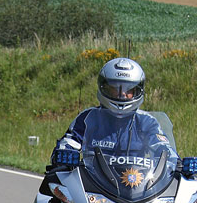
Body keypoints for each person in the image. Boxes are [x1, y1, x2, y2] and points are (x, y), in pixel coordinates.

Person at [49, 57, 177, 171]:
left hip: (137, 186)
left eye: (129, 89)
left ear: (138, 90)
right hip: (92, 185)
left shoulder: (147, 122)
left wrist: (176, 163)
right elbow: (69, 142)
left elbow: (163, 147)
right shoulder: (88, 118)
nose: (122, 94)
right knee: (50, 194)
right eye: (115, 88)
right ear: (104, 87)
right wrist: (64, 154)